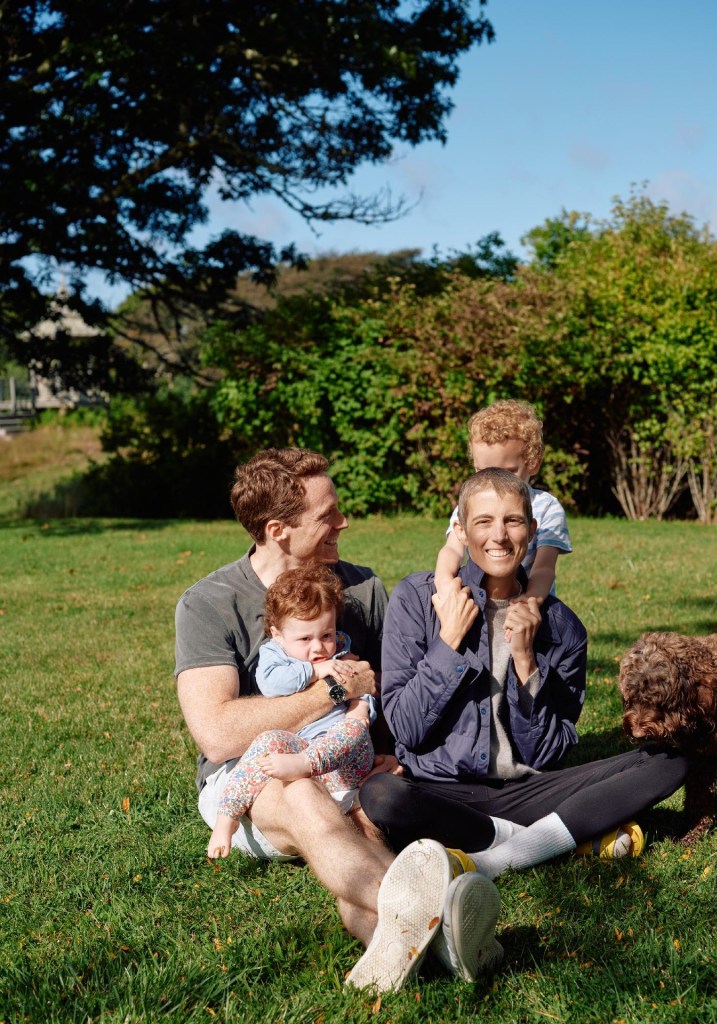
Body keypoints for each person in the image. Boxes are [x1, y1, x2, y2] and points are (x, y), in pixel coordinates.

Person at [175, 447, 501, 991]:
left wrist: (389, 750)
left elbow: (392, 698)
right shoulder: (210, 603)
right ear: (278, 530)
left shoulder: (361, 589)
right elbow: (217, 734)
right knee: (300, 794)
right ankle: (434, 909)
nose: (343, 522)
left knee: (360, 830)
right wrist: (331, 690)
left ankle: (408, 940)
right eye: (328, 515)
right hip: (251, 779)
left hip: (346, 769)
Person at [360, 468, 688, 875]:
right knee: (381, 795)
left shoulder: (562, 628)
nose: (499, 535)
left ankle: (495, 851)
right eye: (483, 521)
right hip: (434, 789)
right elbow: (407, 729)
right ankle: (545, 840)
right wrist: (448, 643)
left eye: (512, 521)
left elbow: (548, 753)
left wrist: (526, 662)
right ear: (460, 531)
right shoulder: (417, 599)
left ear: (531, 530)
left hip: (527, 790)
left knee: (671, 760)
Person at [206, 564, 377, 860]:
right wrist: (314, 671)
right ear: (278, 634)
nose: (319, 647)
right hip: (299, 746)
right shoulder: (275, 654)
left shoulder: (341, 648)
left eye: (326, 634)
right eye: (304, 639)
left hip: (344, 767)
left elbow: (362, 685)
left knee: (352, 729)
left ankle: (307, 764)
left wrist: (361, 707)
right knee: (268, 741)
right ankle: (227, 816)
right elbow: (272, 684)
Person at [435, 399, 572, 604]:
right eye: (483, 471)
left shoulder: (546, 508)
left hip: (531, 604)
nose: (495, 482)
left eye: (508, 472)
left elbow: (544, 567)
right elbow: (452, 550)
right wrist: (445, 585)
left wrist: (529, 602)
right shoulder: (471, 504)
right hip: (479, 604)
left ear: (533, 463)